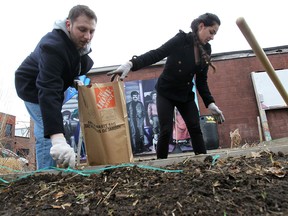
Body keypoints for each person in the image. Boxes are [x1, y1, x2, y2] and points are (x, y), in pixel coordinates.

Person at [107, 13, 225, 159]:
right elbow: (157, 53)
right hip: (166, 92)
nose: (212, 37)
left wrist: (210, 103)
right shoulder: (181, 40)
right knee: (165, 130)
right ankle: (160, 165)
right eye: (211, 32)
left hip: (185, 95)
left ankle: (204, 163)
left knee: (195, 127)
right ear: (201, 26)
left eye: (215, 34)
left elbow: (201, 81)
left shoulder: (206, 50)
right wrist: (132, 64)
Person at [15, 5, 97, 169]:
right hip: (32, 87)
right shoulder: (53, 46)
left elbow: (68, 68)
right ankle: (47, 177)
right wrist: (58, 139)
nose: (87, 36)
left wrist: (74, 80)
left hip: (53, 87)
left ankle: (50, 171)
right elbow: (48, 90)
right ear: (68, 25)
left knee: (50, 127)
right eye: (82, 29)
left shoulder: (79, 49)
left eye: (91, 31)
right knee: (48, 130)